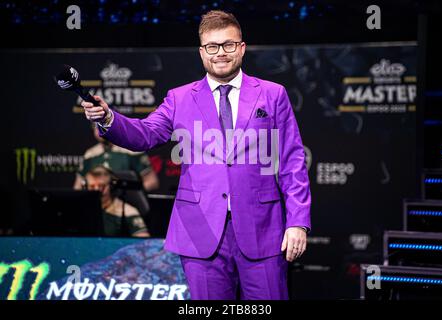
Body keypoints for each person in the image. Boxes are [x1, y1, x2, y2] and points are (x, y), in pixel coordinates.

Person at [81, 10, 311, 300]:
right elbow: (144, 135)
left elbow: (292, 161)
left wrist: (297, 222)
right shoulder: (179, 98)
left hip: (263, 230)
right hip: (200, 232)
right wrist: (108, 118)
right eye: (212, 47)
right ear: (202, 52)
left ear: (241, 47)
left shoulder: (273, 94)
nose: (221, 53)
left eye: (228, 44)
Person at [73, 122, 160, 192]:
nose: (98, 129)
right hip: (96, 205)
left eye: (103, 123)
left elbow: (152, 182)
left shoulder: (132, 150)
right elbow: (78, 186)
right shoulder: (90, 154)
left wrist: (130, 195)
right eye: (95, 125)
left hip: (124, 206)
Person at [85, 165, 150, 238]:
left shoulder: (128, 212)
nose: (96, 191)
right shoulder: (82, 211)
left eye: (101, 186)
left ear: (111, 186)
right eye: (92, 186)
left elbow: (142, 242)